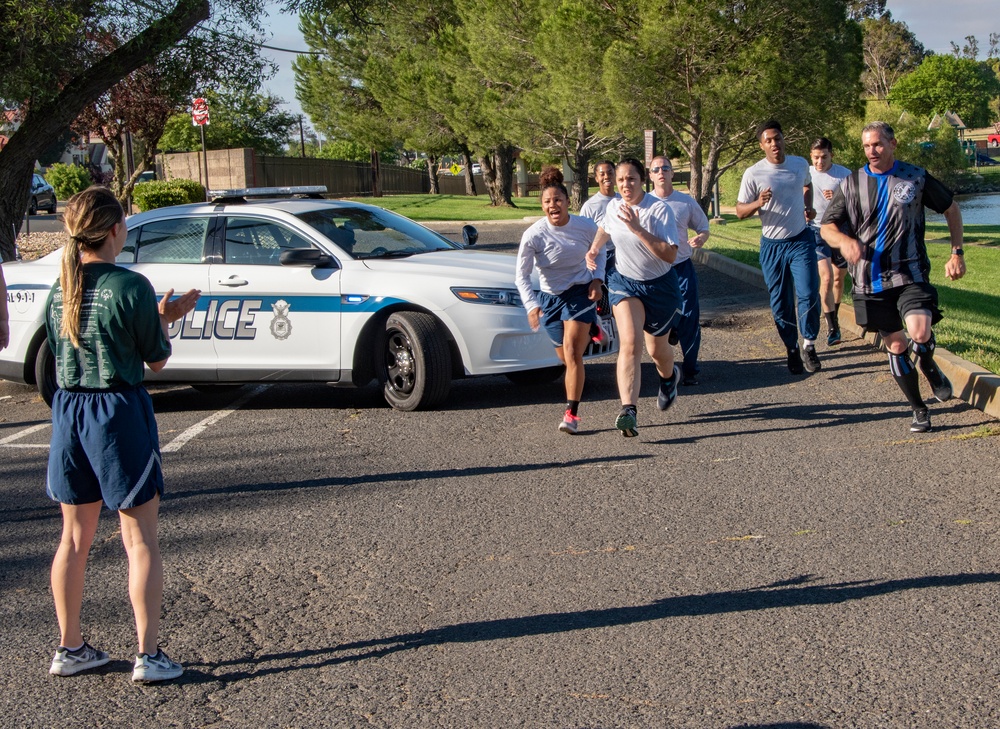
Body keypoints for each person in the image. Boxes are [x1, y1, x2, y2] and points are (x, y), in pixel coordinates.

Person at [45, 186, 199, 682]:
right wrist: (165, 321)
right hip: (117, 412)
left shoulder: (60, 287)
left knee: (73, 538)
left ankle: (70, 648)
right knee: (140, 538)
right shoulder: (130, 285)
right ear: (114, 230)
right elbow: (155, 358)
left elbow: (79, 343)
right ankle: (149, 655)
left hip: (70, 410)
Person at [821, 121, 966, 433]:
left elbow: (951, 209)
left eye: (877, 144)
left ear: (892, 144)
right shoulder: (851, 184)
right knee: (897, 346)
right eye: (866, 146)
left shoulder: (914, 177)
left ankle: (928, 364)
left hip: (910, 273)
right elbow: (826, 227)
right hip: (869, 280)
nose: (872, 151)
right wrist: (845, 242)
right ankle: (918, 408)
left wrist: (957, 253)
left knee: (920, 332)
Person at [586, 158, 682, 438]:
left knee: (656, 351)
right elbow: (605, 228)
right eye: (621, 180)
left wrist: (638, 228)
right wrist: (594, 250)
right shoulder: (614, 206)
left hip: (659, 286)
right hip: (624, 283)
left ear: (642, 180)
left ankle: (668, 377)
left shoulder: (658, 210)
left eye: (631, 179)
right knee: (629, 343)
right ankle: (629, 410)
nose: (625, 185)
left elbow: (670, 254)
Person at [516, 168, 605, 434]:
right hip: (550, 297)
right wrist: (532, 306)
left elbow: (599, 250)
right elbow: (520, 276)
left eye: (558, 200)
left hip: (579, 290)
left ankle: (571, 415)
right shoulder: (534, 235)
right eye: (547, 201)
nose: (553, 205)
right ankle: (592, 326)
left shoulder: (585, 226)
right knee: (564, 358)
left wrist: (597, 279)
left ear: (567, 202)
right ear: (542, 206)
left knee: (572, 352)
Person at [736, 119, 822, 374]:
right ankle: (791, 348)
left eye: (778, 138)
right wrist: (757, 203)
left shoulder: (799, 164)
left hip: (800, 239)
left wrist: (808, 205)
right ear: (762, 145)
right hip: (772, 245)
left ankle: (808, 344)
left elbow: (807, 184)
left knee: (808, 291)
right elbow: (740, 211)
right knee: (781, 302)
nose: (775, 144)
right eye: (769, 140)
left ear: (784, 139)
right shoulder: (753, 173)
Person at [649, 156, 710, 386]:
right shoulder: (645, 203)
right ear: (651, 175)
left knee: (690, 317)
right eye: (656, 169)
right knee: (658, 319)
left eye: (666, 168)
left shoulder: (685, 202)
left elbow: (703, 226)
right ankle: (665, 359)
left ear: (672, 173)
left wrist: (701, 237)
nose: (661, 172)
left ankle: (691, 369)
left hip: (681, 267)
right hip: (655, 270)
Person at [809, 137, 851, 346]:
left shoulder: (844, 175)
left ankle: (834, 316)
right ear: (811, 156)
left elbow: (855, 205)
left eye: (824, 157)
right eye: (816, 157)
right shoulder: (805, 174)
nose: (820, 162)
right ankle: (832, 327)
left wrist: (836, 197)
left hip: (839, 229)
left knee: (837, 279)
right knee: (825, 278)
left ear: (831, 155)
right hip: (816, 230)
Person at [579, 160, 620, 269]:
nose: (607, 177)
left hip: (623, 253)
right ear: (596, 178)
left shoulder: (623, 199)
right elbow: (583, 235)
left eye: (610, 173)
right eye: (602, 174)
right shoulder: (590, 206)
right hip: (602, 255)